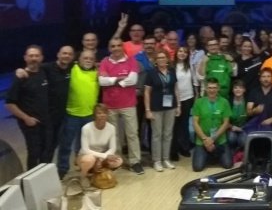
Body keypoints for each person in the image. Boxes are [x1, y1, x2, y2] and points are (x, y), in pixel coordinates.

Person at [98, 38, 143, 174]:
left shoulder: (131, 61)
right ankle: (117, 161)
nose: (116, 48)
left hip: (128, 104)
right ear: (109, 48)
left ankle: (135, 161)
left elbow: (133, 80)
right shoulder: (105, 62)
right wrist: (119, 80)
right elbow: (101, 81)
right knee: (114, 135)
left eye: (118, 45)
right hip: (110, 106)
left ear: (122, 47)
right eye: (113, 46)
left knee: (132, 134)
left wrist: (111, 80)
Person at [5, 45, 53, 170]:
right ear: (25, 58)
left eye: (37, 56)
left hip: (45, 121)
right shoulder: (20, 77)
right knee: (34, 153)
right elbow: (9, 104)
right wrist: (26, 118)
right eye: (31, 56)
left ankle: (44, 177)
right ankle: (31, 182)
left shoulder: (44, 72)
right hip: (30, 123)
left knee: (46, 151)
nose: (34, 58)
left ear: (41, 58)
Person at [56, 50, 99, 178]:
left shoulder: (97, 72)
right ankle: (62, 169)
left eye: (90, 58)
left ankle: (84, 167)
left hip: (89, 116)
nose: (88, 60)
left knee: (84, 146)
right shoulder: (72, 68)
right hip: (72, 115)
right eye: (85, 58)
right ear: (78, 59)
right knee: (66, 144)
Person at [145, 51, 180, 172]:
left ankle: (166, 159)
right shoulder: (151, 73)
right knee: (156, 135)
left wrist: (179, 105)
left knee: (168, 134)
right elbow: (147, 92)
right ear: (155, 61)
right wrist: (147, 109)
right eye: (159, 58)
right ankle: (157, 161)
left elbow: (175, 89)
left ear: (167, 59)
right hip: (156, 108)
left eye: (163, 57)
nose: (161, 60)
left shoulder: (172, 72)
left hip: (170, 107)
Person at [38, 45, 74, 160]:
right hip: (48, 116)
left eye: (69, 54)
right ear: (58, 54)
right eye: (64, 53)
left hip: (63, 115)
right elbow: (31, 69)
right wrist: (21, 71)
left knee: (54, 144)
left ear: (72, 57)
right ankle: (39, 171)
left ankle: (48, 169)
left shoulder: (72, 68)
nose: (66, 56)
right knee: (46, 146)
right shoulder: (46, 68)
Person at [77, 104, 123, 188]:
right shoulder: (86, 128)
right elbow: (85, 149)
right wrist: (103, 156)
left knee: (118, 161)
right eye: (99, 113)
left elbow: (113, 148)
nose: (102, 115)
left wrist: (101, 159)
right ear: (94, 115)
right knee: (89, 160)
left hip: (102, 156)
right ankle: (83, 176)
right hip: (87, 155)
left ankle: (100, 174)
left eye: (104, 113)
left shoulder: (111, 128)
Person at [192, 78, 233, 171]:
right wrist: (205, 139)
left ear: (218, 89)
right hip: (202, 140)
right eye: (209, 88)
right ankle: (209, 154)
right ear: (206, 89)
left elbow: (226, 123)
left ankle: (212, 154)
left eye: (214, 88)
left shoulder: (224, 102)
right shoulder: (199, 102)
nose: (212, 90)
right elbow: (195, 122)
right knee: (197, 167)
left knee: (228, 165)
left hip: (219, 139)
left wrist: (213, 138)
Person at [244, 68, 272, 134]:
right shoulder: (254, 91)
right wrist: (254, 111)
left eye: (268, 76)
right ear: (260, 78)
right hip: (255, 126)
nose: (266, 79)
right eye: (263, 76)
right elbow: (248, 112)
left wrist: (271, 120)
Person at [172, 47, 195, 160]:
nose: (182, 53)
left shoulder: (190, 66)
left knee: (184, 124)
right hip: (175, 99)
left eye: (185, 52)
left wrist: (196, 97)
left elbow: (194, 82)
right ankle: (174, 150)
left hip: (188, 97)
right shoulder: (171, 66)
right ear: (176, 53)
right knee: (174, 126)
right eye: (180, 51)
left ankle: (184, 147)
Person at [227, 80, 248, 150]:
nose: (238, 90)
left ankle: (241, 152)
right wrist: (232, 126)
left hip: (244, 129)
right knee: (231, 138)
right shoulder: (228, 102)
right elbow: (224, 120)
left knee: (243, 141)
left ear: (244, 90)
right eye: (235, 88)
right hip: (231, 128)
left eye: (240, 88)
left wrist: (243, 128)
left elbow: (251, 118)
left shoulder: (248, 102)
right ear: (232, 90)